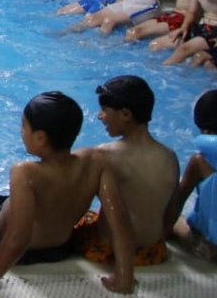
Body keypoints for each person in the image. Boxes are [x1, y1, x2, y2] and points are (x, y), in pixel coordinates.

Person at [0, 92, 134, 294]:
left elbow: (19, 237)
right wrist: (124, 275)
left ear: (40, 137)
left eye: (23, 126)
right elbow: (119, 219)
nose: (21, 131)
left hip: (10, 245)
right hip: (61, 249)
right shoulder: (96, 161)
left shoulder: (25, 172)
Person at [74, 76, 176, 268]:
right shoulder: (169, 156)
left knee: (82, 220)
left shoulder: (104, 154)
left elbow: (77, 207)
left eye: (104, 110)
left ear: (126, 114)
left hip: (109, 250)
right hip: (153, 251)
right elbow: (171, 210)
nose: (99, 116)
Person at [167, 89, 217, 260]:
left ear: (205, 130)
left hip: (214, 249)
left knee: (177, 224)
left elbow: (177, 202)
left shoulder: (200, 161)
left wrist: (161, 233)